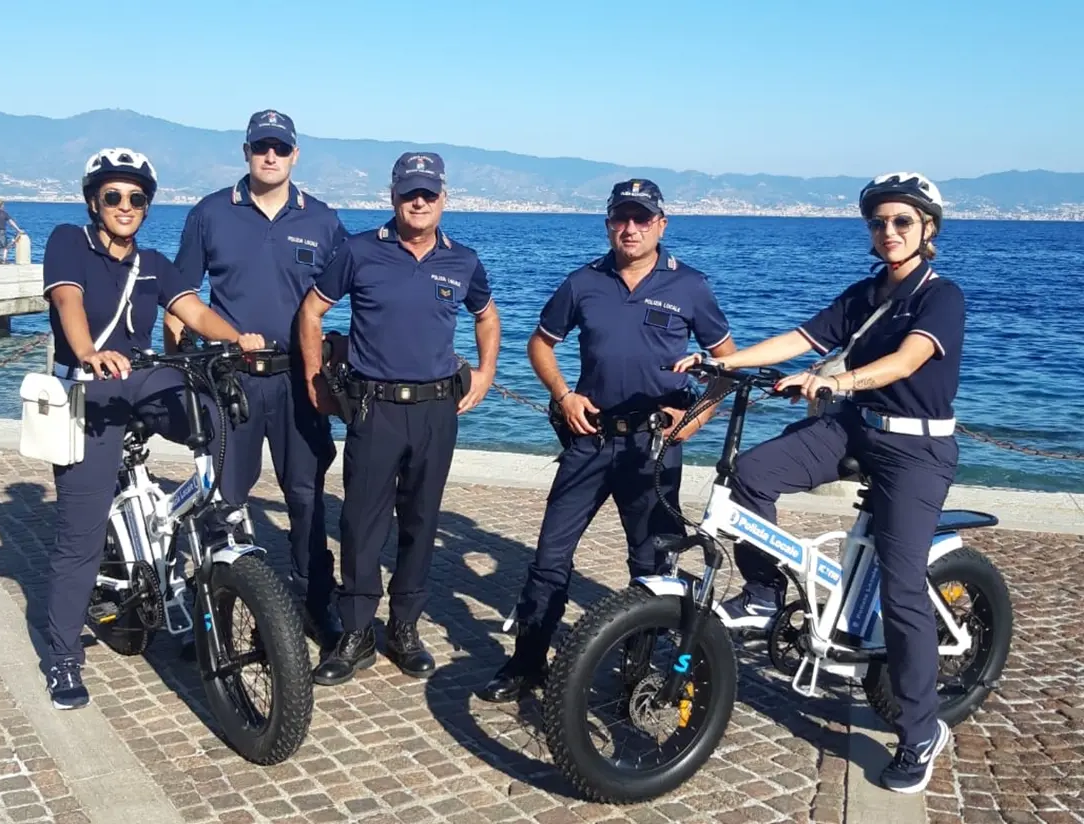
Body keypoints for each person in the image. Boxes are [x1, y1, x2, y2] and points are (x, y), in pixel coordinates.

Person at [676, 172, 963, 794]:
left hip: (916, 446)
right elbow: (801, 340)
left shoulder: (942, 297)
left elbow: (908, 360)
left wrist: (838, 381)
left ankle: (921, 731)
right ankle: (760, 594)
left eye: (902, 222)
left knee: (902, 585)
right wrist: (725, 361)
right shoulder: (863, 295)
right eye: (879, 222)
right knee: (750, 474)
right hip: (853, 429)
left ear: (927, 230)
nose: (888, 231)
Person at [477, 179, 738, 703]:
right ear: (608, 224)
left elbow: (726, 365)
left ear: (661, 225)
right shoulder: (583, 282)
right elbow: (540, 343)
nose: (631, 228)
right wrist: (562, 394)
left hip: (654, 447)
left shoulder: (690, 286)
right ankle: (528, 663)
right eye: (622, 218)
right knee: (550, 557)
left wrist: (696, 419)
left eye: (642, 218)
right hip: (589, 440)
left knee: (652, 563)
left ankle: (637, 666)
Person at [42, 147, 264, 710]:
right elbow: (68, 300)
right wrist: (88, 351)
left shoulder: (155, 263)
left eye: (136, 198)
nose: (124, 205)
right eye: (113, 196)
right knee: (80, 538)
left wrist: (237, 339)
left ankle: (217, 506)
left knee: (216, 408)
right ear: (95, 201)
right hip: (90, 389)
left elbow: (193, 311)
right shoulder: (69, 241)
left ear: (146, 206)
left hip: (141, 378)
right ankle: (64, 657)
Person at [296, 151, 501, 686]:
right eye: (410, 192)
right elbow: (312, 312)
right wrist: (316, 378)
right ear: (392, 196)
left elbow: (487, 314)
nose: (419, 201)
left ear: (443, 199)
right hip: (374, 407)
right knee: (360, 523)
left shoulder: (464, 260)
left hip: (437, 410)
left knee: (420, 521)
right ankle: (356, 632)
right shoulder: (359, 250)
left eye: (428, 193)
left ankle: (404, 628)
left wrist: (485, 372)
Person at [164, 109, 349, 649]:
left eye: (281, 148)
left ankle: (317, 604)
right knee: (223, 499)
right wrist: (178, 371)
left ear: (296, 155)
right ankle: (210, 610)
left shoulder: (323, 221)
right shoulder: (210, 214)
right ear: (245, 151)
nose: (271, 156)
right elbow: (180, 299)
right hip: (231, 381)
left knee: (307, 497)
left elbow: (352, 296)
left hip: (298, 383)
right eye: (261, 146)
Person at [0, 199, 21, 264]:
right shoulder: (4, 214)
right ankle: (3, 260)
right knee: (5, 246)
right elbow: (11, 222)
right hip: (1, 231)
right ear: (2, 206)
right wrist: (18, 229)